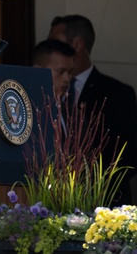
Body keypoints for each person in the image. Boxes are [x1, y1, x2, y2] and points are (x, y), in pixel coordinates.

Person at [48, 14, 137, 204]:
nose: (50, 49)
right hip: (52, 203)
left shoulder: (117, 93)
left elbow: (129, 155)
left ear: (78, 45)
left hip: (105, 205)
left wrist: (88, 183)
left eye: (56, 43)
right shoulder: (43, 88)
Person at [30, 39, 75, 104]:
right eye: (61, 71)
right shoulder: (25, 109)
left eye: (70, 72)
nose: (67, 78)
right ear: (38, 71)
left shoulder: (70, 109)